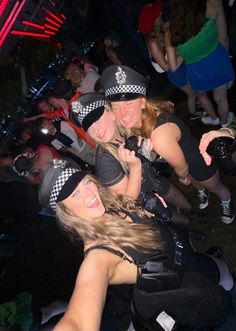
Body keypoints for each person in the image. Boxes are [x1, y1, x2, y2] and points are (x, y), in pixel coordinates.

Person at [38, 159, 233, 331]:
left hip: (192, 259)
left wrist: (135, 166)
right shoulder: (98, 256)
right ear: (67, 212)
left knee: (224, 274)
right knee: (224, 303)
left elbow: (129, 201)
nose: (89, 193)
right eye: (75, 195)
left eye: (86, 182)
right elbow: (79, 321)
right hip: (186, 289)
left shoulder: (110, 207)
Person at [101, 64, 235, 224]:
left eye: (129, 104)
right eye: (116, 107)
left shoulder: (160, 136)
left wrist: (182, 175)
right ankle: (201, 189)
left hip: (197, 160)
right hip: (177, 156)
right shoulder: (139, 121)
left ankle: (226, 201)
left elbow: (182, 166)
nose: (123, 113)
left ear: (142, 102)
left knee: (216, 187)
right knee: (196, 182)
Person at [70, 92, 196, 225]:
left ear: (111, 113)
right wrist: (135, 166)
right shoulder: (104, 160)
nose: (96, 129)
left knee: (187, 205)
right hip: (147, 202)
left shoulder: (128, 130)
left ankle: (192, 215)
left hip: (157, 182)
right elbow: (129, 200)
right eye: (89, 127)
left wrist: (151, 152)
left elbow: (154, 159)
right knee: (182, 221)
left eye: (98, 119)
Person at [167, 0, 234, 127]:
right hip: (217, 60)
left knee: (201, 96)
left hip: (196, 70)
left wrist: (186, 53)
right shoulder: (214, 5)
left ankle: (214, 118)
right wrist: (225, 59)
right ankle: (225, 124)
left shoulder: (171, 31)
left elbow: (173, 66)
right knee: (221, 99)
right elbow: (223, 37)